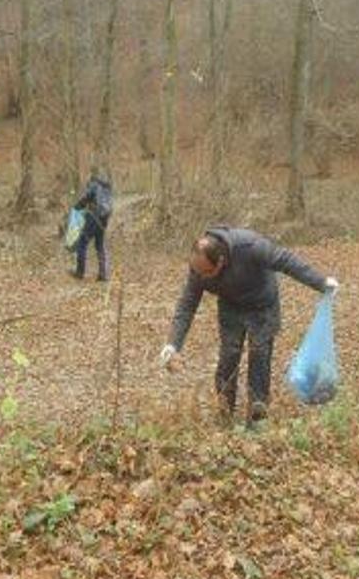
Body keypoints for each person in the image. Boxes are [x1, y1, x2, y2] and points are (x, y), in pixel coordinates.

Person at [158, 227, 339, 429]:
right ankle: (224, 412)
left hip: (262, 306)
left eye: (208, 273)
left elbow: (287, 261)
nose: (204, 278)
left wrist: (321, 283)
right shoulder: (199, 269)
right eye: (200, 273)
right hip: (230, 308)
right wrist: (173, 344)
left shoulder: (251, 247)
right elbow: (187, 304)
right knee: (229, 356)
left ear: (220, 261)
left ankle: (257, 416)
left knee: (259, 355)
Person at [70, 173, 114, 281]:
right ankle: (103, 275)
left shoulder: (94, 185)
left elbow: (85, 198)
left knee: (82, 243)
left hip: (94, 216)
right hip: (105, 219)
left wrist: (77, 207)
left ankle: (79, 273)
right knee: (99, 244)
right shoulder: (107, 188)